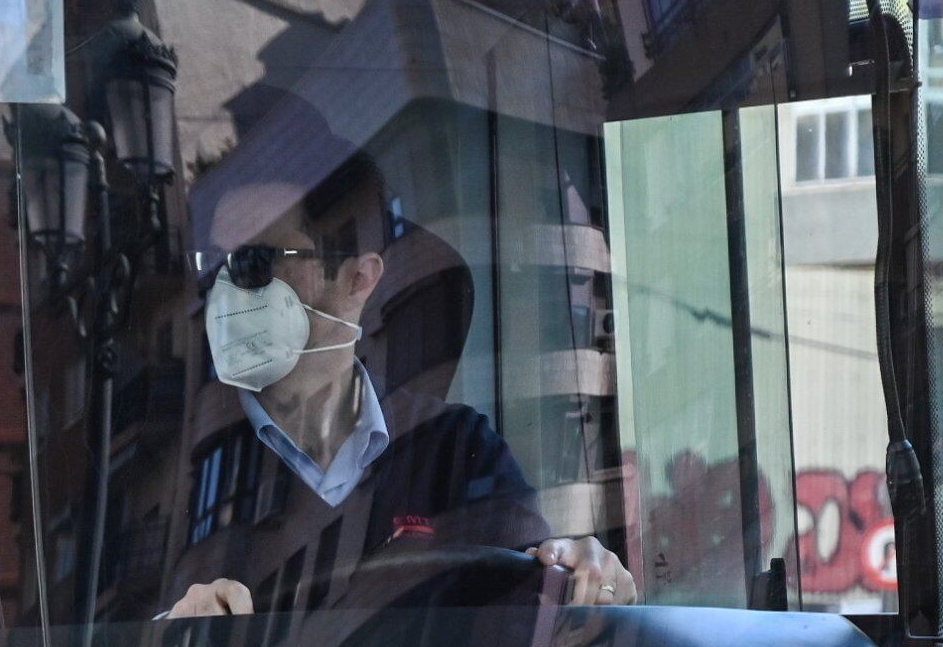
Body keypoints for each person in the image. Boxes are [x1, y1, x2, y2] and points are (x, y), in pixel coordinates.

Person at [161, 157, 638, 622]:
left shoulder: (455, 446)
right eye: (213, 268)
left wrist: (587, 574)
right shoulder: (188, 473)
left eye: (255, 262)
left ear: (358, 278)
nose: (228, 291)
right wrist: (173, 629)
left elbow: (535, 596)